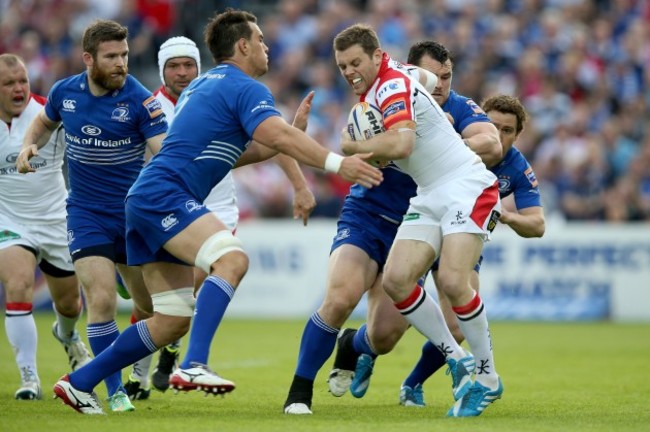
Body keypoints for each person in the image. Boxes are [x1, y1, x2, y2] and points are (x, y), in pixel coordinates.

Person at [43, 9, 381, 415]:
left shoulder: (203, 86)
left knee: (171, 319)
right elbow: (274, 134)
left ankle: (80, 383)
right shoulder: (246, 87)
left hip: (146, 199)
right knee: (232, 258)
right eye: (259, 39)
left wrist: (290, 137)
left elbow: (233, 155)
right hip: (165, 195)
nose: (266, 46)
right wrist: (335, 163)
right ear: (242, 46)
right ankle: (194, 364)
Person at [292, 23, 504, 418]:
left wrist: (353, 146)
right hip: (427, 193)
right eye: (342, 66)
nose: (349, 72)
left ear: (375, 56)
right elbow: (423, 78)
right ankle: (457, 360)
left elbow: (402, 143)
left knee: (456, 284)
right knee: (395, 281)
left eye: (355, 62)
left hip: (466, 185)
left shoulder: (389, 85)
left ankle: (489, 379)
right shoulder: (400, 74)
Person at [124, 35, 317, 400]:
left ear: (200, 66)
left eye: (188, 65)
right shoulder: (148, 107)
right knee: (152, 305)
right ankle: (142, 370)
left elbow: (268, 137)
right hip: (167, 204)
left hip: (216, 206)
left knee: (198, 284)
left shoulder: (217, 91)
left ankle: (179, 356)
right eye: (173, 66)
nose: (182, 73)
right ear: (162, 70)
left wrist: (299, 184)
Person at [16, 20, 167, 412]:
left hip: (132, 217)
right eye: (112, 56)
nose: (121, 64)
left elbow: (163, 152)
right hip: (85, 213)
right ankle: (114, 391)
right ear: (89, 59)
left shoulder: (140, 99)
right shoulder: (65, 92)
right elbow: (43, 123)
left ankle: (124, 278)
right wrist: (29, 146)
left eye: (125, 55)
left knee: (150, 310)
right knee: (99, 301)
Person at [395, 94, 545, 406]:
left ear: (517, 136)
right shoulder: (454, 145)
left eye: (507, 130)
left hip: (466, 232)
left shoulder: (517, 167)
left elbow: (538, 225)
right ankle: (356, 348)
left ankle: (415, 382)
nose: (499, 135)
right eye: (493, 126)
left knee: (458, 322)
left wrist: (508, 216)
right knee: (387, 326)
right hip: (428, 220)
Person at [0, 53, 92, 401]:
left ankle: (67, 335)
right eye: (9, 83)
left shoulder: (49, 115)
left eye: (22, 80)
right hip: (8, 221)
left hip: (57, 219)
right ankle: (29, 377)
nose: (18, 88)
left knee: (69, 304)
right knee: (19, 283)